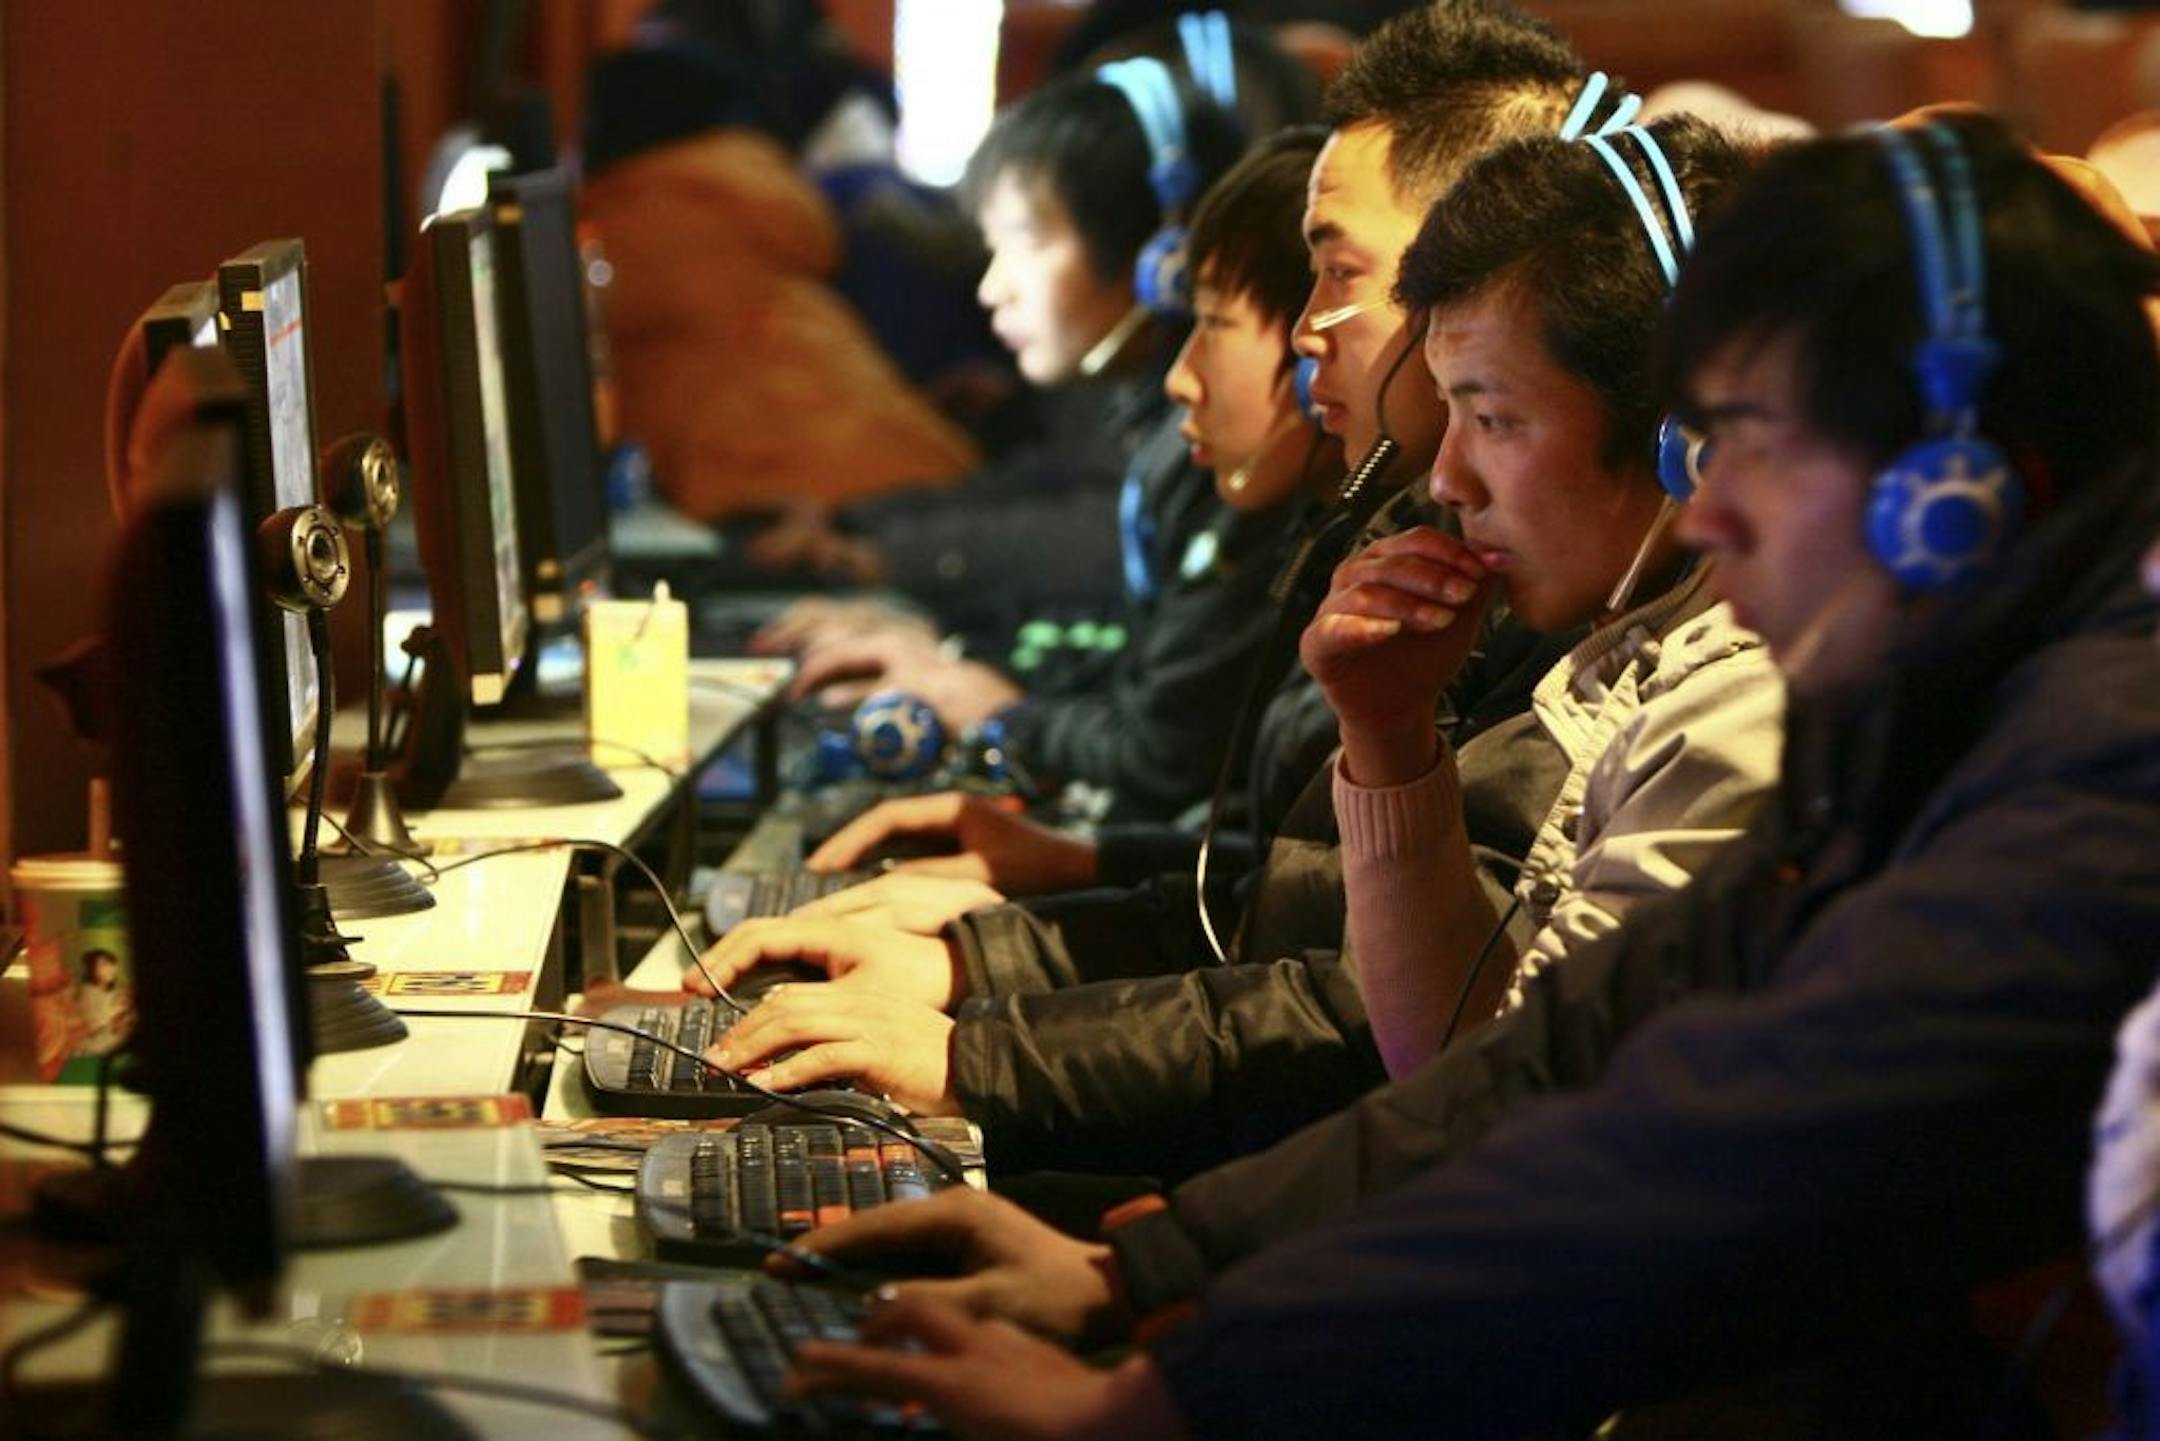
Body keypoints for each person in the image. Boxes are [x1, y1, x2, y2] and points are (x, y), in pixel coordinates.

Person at [768, 112, 2160, 1437]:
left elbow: (1702, 1156)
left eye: (1757, 446)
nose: (1711, 506)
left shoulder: (2101, 787)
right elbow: (1569, 1053)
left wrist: (1174, 1401)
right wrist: (1143, 1274)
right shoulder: (1934, 699)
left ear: (1955, 497)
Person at [693, 107, 1785, 1194]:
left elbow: (1467, 1102)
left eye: (1332, 276)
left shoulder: (1689, 692)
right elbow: (1450, 1059)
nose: (1315, 331)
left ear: (1677, 429)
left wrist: (1131, 1250)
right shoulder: (1590, 638)